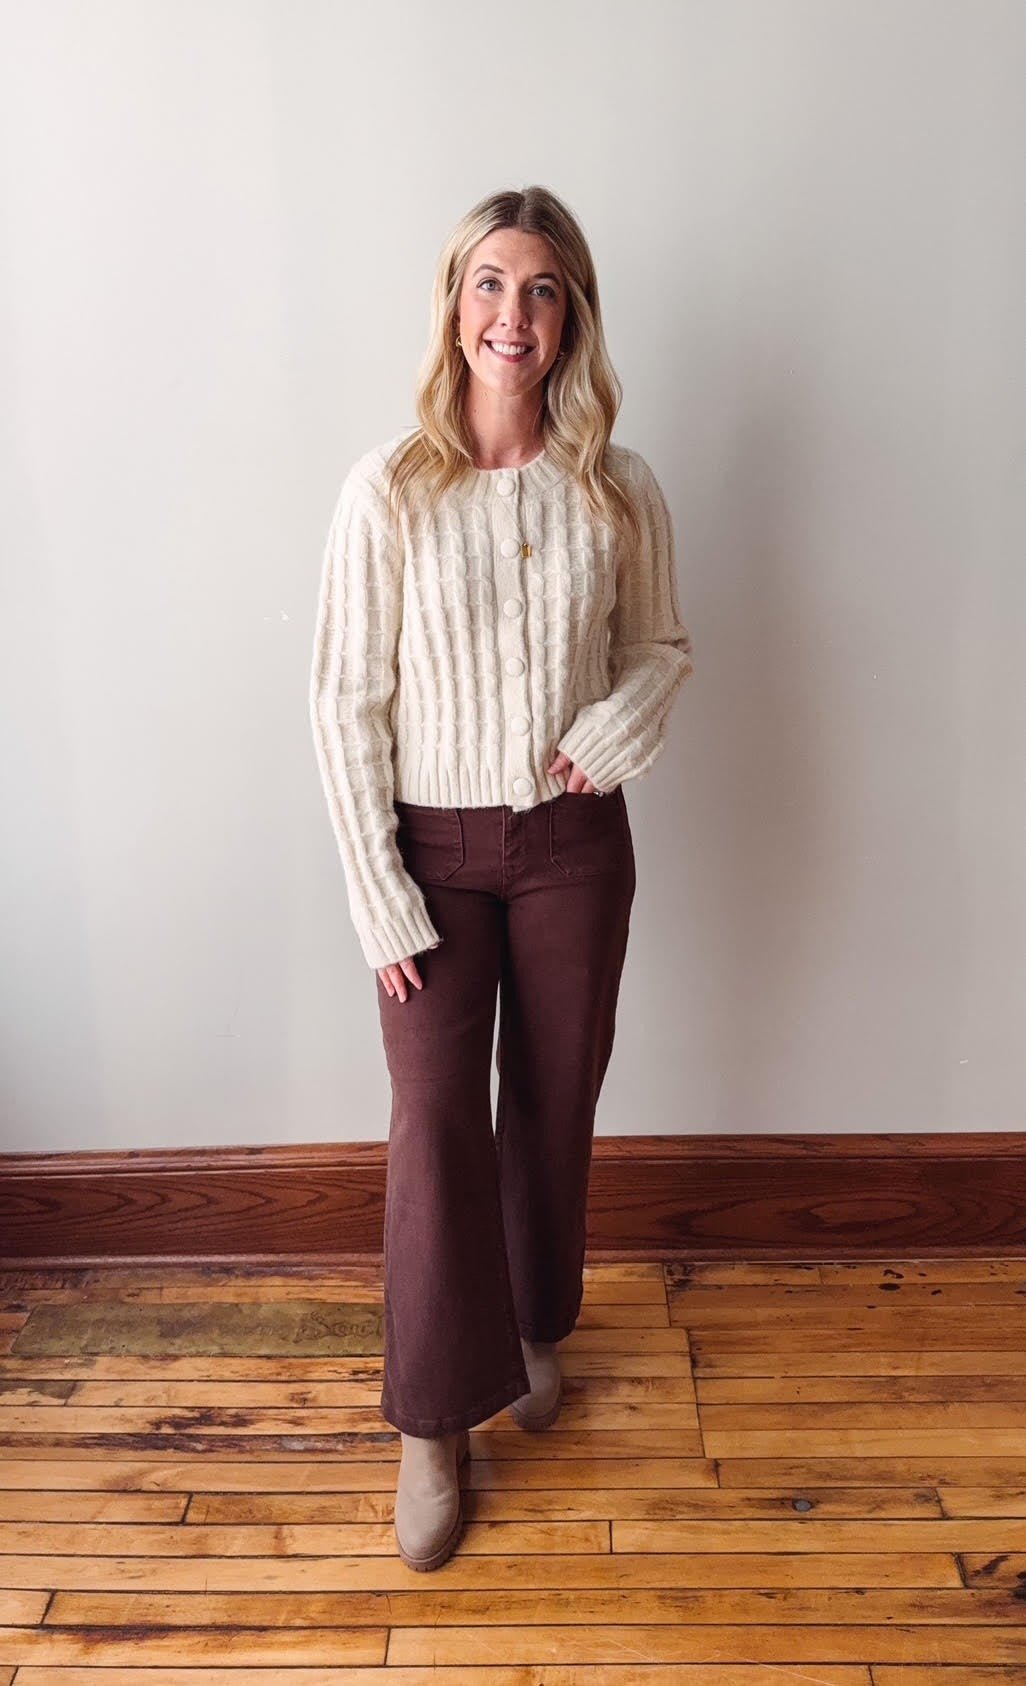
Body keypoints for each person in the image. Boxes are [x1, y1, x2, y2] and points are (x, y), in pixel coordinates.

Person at [309, 184, 693, 1571]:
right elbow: (344, 701)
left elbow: (661, 648)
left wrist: (610, 731)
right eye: (487, 283)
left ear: (570, 313)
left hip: (573, 849)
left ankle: (534, 1323)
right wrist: (378, 892)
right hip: (433, 848)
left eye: (538, 289)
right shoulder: (387, 488)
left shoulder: (615, 481)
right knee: (431, 1127)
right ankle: (430, 1420)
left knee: (550, 1097)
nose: (509, 315)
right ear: (451, 305)